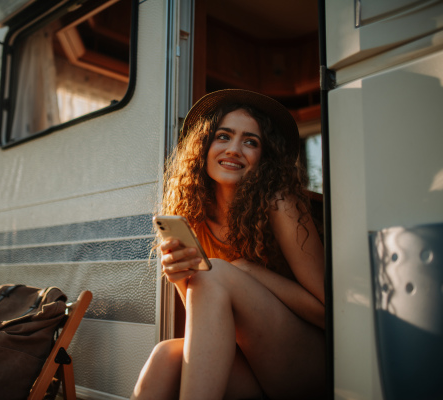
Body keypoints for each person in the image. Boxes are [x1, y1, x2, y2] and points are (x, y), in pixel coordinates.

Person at [131, 89, 325, 400]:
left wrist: (248, 271)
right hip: (247, 362)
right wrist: (182, 279)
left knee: (216, 272)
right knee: (164, 356)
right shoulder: (191, 215)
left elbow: (327, 312)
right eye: (223, 136)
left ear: (265, 157)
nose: (234, 149)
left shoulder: (280, 204)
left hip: (304, 362)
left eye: (251, 141)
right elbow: (208, 319)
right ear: (204, 147)